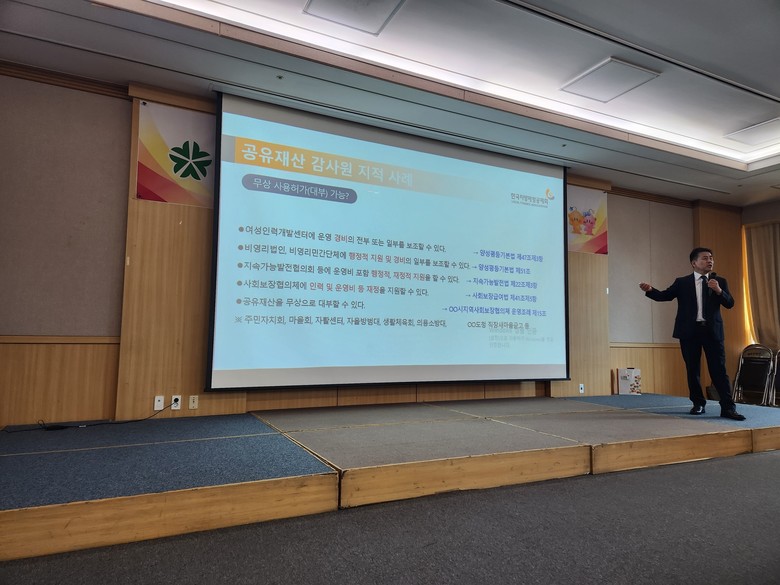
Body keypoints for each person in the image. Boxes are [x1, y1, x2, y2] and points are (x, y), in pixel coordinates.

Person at [639, 247, 746, 420]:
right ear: (694, 263)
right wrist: (650, 290)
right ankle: (698, 404)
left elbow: (730, 303)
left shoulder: (719, 281)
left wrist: (719, 291)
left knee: (719, 370)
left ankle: (728, 407)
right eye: (705, 258)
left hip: (712, 332)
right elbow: (664, 296)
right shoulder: (682, 282)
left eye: (711, 258)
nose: (709, 261)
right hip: (689, 332)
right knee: (692, 369)